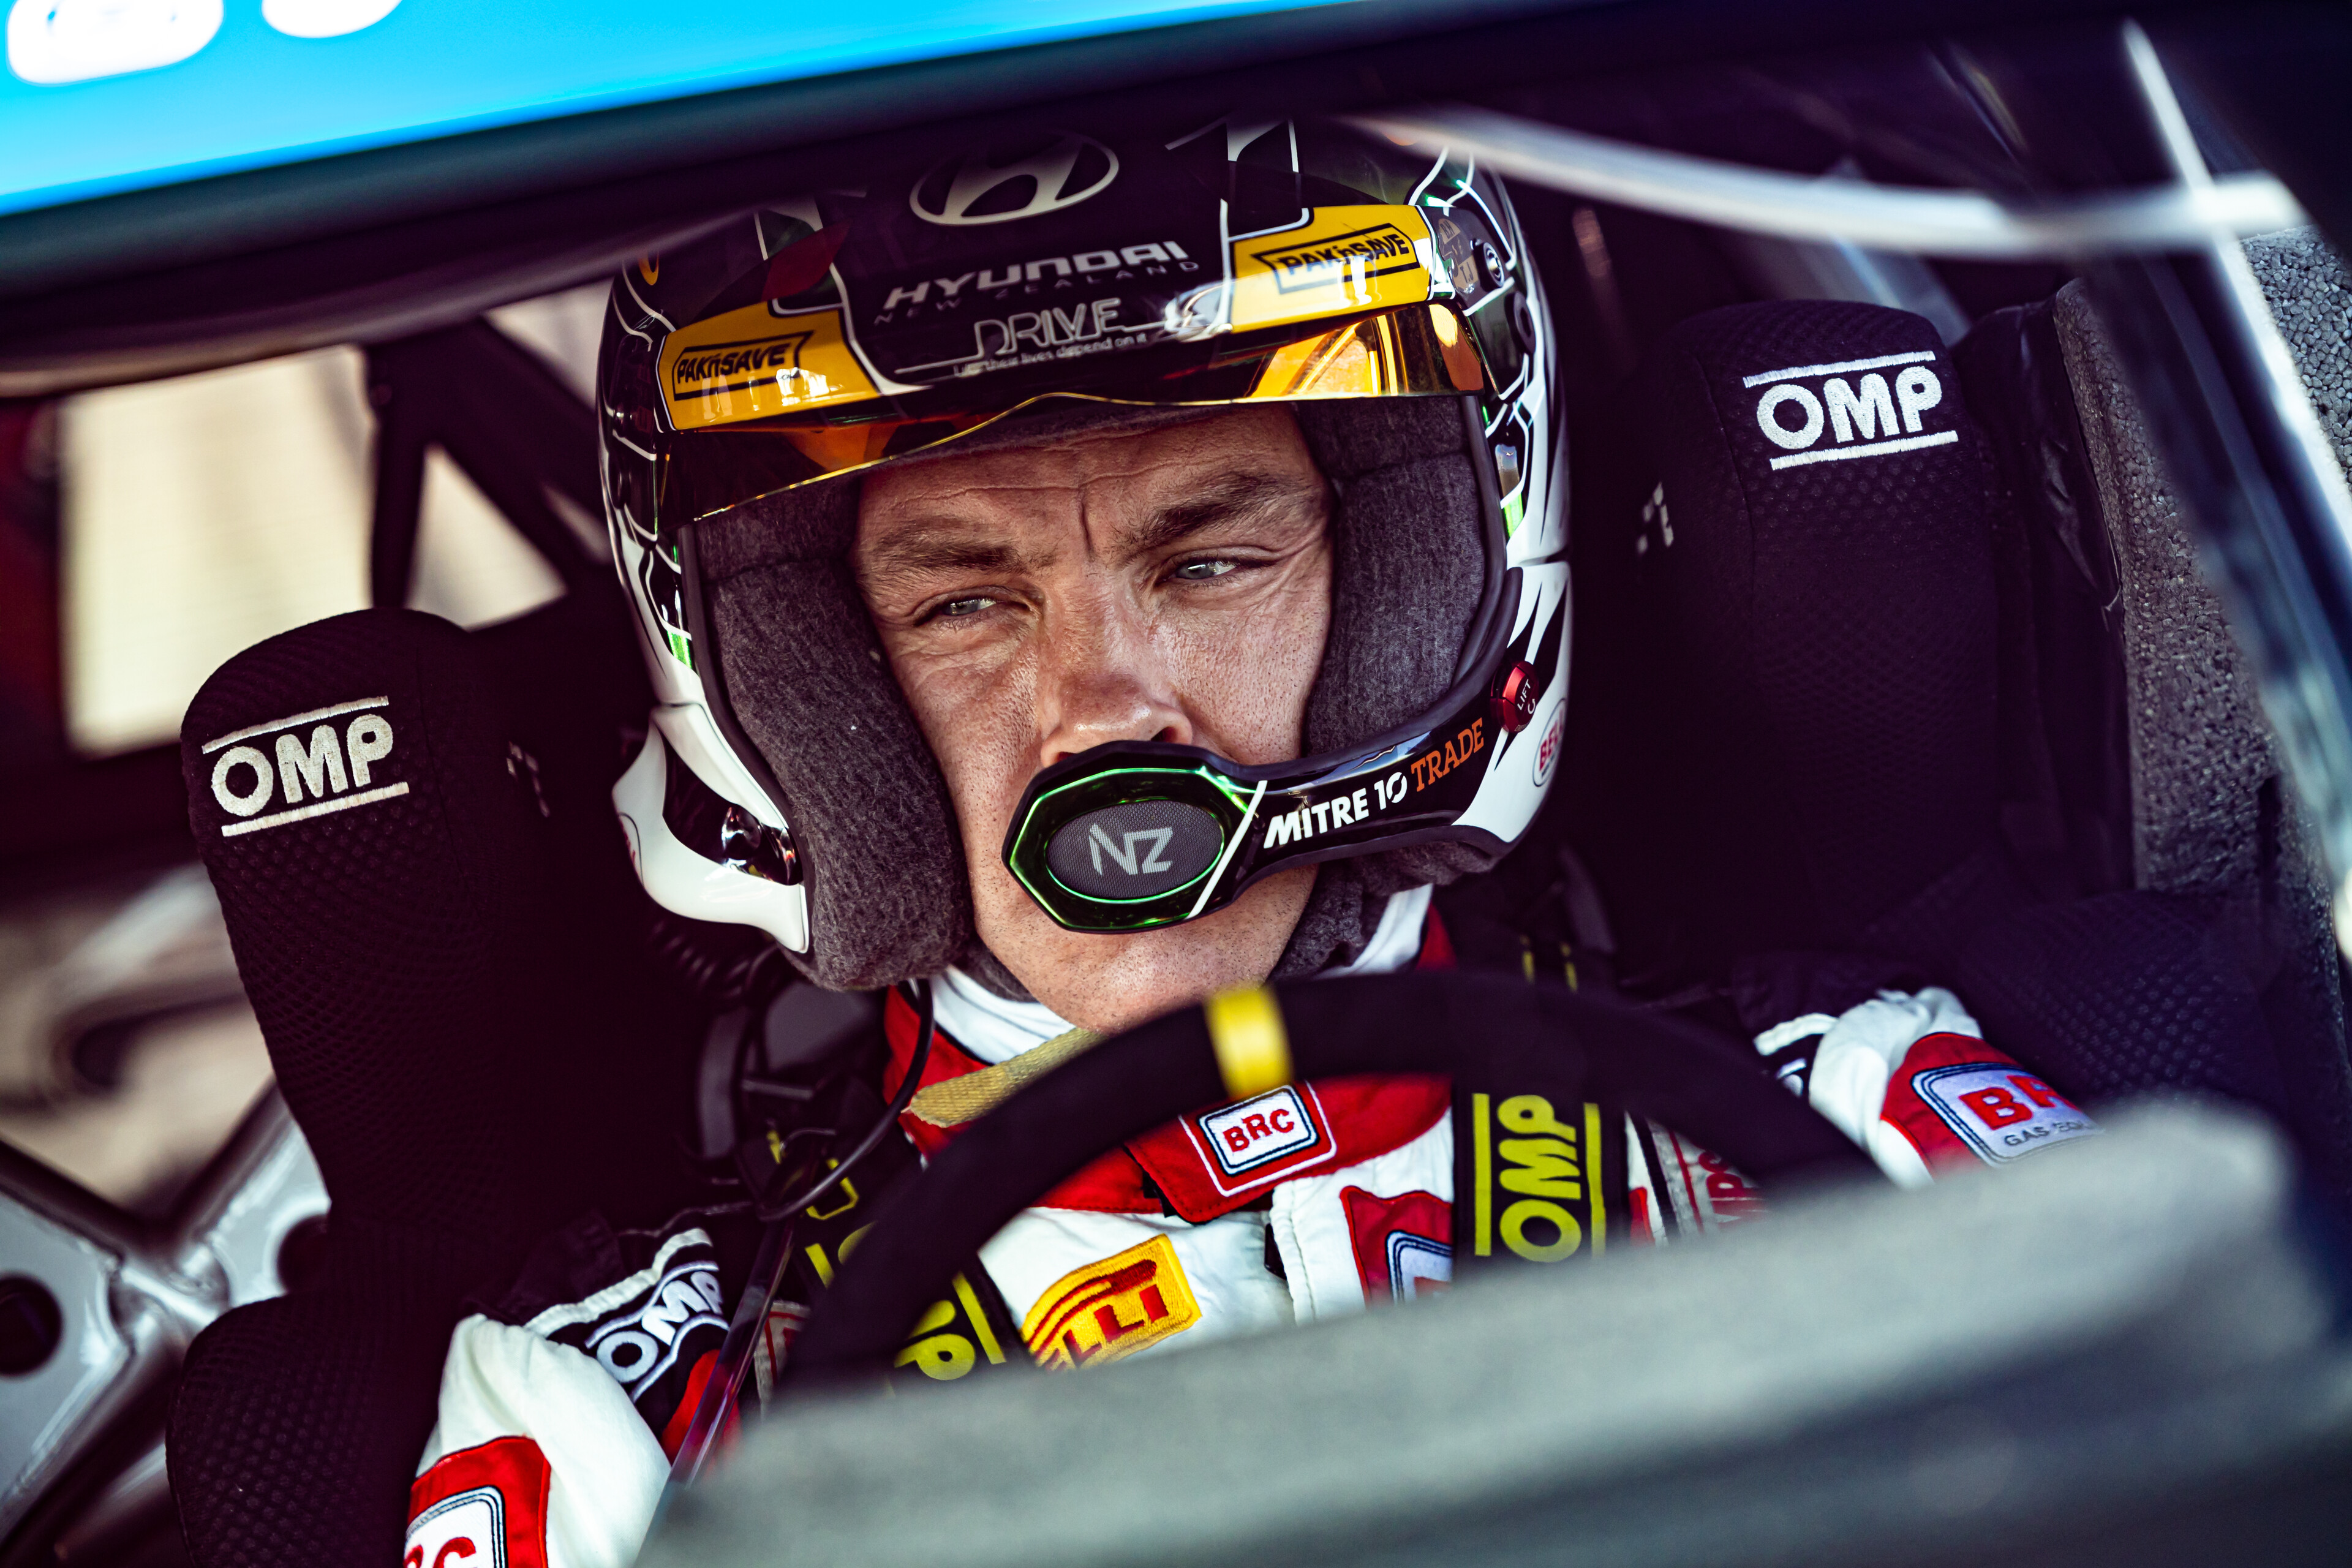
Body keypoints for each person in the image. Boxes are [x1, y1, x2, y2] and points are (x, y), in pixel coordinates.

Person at [401, 118, 2096, 1568]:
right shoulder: (620, 1420)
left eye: (1209, 563)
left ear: (1411, 606)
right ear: (826, 706)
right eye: (966, 603)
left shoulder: (1838, 1122)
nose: (1102, 710)